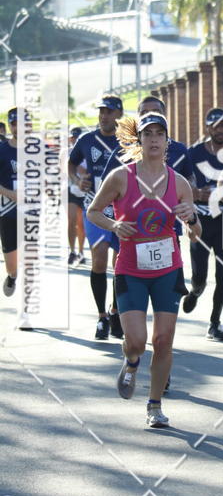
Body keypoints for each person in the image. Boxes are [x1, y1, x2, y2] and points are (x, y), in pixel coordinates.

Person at [86, 111, 200, 427]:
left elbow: (196, 232)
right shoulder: (121, 177)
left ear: (167, 141)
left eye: (159, 134)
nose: (153, 139)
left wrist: (191, 218)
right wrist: (114, 224)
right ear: (140, 140)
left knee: (163, 341)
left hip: (168, 269)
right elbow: (94, 212)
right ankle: (132, 361)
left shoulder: (178, 183)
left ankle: (154, 405)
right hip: (131, 269)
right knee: (136, 340)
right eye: (147, 134)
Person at [68, 96, 123, 340]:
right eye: (101, 111)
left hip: (123, 209)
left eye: (109, 112)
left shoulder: (129, 141)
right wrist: (77, 180)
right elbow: (70, 163)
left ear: (119, 114)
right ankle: (102, 317)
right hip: (95, 206)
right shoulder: (86, 139)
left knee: (121, 264)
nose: (104, 116)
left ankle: (116, 310)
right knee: (99, 259)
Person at [184, 108, 223, 340]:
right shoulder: (193, 153)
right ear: (208, 128)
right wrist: (195, 193)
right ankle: (195, 291)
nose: (221, 130)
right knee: (200, 276)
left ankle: (215, 323)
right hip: (201, 220)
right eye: (216, 126)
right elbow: (178, 182)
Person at [0, 108, 19, 297]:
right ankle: (12, 276)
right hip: (7, 210)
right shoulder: (2, 150)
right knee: (12, 264)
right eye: (14, 124)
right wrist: (9, 193)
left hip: (30, 210)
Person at [67, 126, 86, 265]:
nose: (74, 140)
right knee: (72, 221)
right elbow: (65, 168)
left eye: (77, 138)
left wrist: (84, 173)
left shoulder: (88, 152)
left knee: (81, 224)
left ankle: (80, 252)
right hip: (70, 190)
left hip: (85, 192)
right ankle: (72, 251)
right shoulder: (66, 152)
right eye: (72, 138)